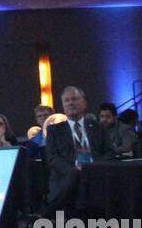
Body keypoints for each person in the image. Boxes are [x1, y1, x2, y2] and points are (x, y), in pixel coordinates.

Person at [44, 86, 112, 215]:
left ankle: (49, 211)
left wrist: (93, 166)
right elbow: (52, 158)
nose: (70, 103)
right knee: (76, 177)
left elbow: (109, 153)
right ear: (63, 105)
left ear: (84, 103)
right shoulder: (54, 130)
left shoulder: (98, 127)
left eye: (74, 99)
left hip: (95, 174)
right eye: (67, 100)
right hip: (66, 177)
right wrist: (75, 170)